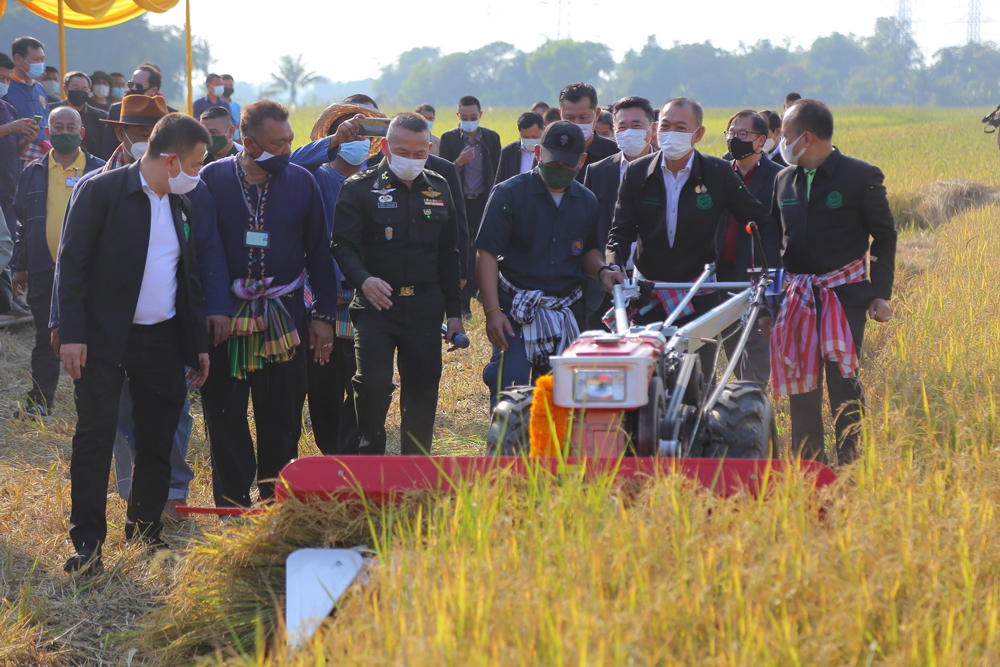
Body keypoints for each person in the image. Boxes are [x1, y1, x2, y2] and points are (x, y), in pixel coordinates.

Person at [49, 94, 230, 521]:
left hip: (161, 339)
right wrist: (71, 334)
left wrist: (195, 345)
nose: (199, 172)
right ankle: (87, 540)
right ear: (170, 160)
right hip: (103, 338)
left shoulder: (181, 203)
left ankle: (145, 528)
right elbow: (70, 267)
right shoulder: (100, 191)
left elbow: (187, 281)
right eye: (196, 162)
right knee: (94, 435)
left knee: (157, 438)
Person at [199, 99, 338, 508]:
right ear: (247, 141)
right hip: (224, 321)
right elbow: (199, 250)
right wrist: (214, 308)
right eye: (277, 144)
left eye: (290, 141)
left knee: (281, 417)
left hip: (286, 316)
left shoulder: (301, 181)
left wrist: (323, 316)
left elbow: (319, 251)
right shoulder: (211, 179)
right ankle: (233, 506)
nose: (287, 151)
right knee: (224, 416)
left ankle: (274, 503)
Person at [606, 97, 782, 371]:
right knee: (647, 378)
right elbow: (621, 231)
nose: (670, 133)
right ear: (655, 128)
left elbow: (760, 222)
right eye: (665, 126)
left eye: (680, 127)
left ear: (698, 134)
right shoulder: (638, 173)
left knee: (696, 381)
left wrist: (770, 274)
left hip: (699, 295)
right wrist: (613, 264)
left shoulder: (718, 173)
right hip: (648, 294)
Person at [769, 99, 896, 466]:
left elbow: (884, 236)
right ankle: (810, 467)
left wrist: (879, 294)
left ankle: (852, 465)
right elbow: (776, 243)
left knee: (844, 385)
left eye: (787, 135)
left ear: (805, 137)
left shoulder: (860, 176)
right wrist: (771, 303)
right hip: (796, 299)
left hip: (845, 298)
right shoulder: (782, 179)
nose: (783, 142)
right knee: (801, 386)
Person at [333, 112, 465, 455]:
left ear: (429, 149)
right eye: (403, 151)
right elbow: (342, 245)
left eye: (419, 153)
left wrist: (454, 314)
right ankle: (370, 448)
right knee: (373, 384)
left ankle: (415, 467)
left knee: (422, 390)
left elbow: (449, 253)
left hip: (425, 306)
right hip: (377, 306)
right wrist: (364, 280)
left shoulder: (440, 186)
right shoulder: (359, 188)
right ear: (385, 148)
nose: (411, 159)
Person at [477, 120, 624, 405]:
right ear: (537, 153)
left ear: (581, 161)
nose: (558, 170)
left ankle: (556, 449)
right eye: (552, 162)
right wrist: (493, 310)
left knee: (566, 392)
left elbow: (589, 251)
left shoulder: (586, 201)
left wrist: (603, 271)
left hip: (565, 308)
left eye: (566, 166)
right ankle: (509, 446)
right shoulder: (508, 194)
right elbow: (486, 253)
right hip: (516, 307)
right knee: (511, 383)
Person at [289, 97, 383, 455]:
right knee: (324, 385)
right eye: (349, 130)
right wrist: (332, 143)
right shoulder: (314, 175)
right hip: (324, 300)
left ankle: (352, 453)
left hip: (368, 299)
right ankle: (331, 454)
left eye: (363, 131)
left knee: (365, 383)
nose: (357, 138)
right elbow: (289, 162)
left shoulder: (379, 179)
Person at [10, 106, 105, 420]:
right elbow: (22, 224)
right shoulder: (33, 171)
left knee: (93, 335)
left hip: (91, 271)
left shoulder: (101, 170)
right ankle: (39, 403)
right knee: (45, 338)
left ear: (82, 131)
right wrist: (19, 266)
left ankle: (94, 402)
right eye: (58, 127)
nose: (65, 132)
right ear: (47, 132)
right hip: (44, 269)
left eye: (70, 126)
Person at [715, 109, 782, 387]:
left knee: (755, 340)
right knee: (730, 341)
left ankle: (753, 402)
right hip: (720, 272)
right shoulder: (716, 172)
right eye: (731, 133)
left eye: (743, 134)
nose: (735, 139)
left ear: (762, 140)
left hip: (757, 271)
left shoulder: (779, 177)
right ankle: (743, 395)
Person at [581, 95, 656, 330]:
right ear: (614, 131)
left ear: (652, 129)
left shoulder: (670, 169)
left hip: (656, 283)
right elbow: (589, 228)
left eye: (636, 126)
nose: (628, 132)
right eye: (622, 126)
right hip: (607, 280)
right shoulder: (598, 171)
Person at [439, 95, 502, 316]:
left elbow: (497, 172)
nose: (469, 121)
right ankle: (462, 304)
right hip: (459, 202)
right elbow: (441, 174)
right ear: (458, 116)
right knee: (462, 251)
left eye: (473, 117)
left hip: (484, 201)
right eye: (464, 117)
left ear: (480, 115)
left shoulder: (491, 139)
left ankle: (481, 294)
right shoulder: (449, 139)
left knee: (484, 248)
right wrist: (458, 163)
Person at [0, 53, 39, 244]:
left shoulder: (9, 109)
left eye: (8, 79)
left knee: (6, 246)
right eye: (1, 78)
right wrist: (10, 128)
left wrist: (27, 140)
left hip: (8, 190)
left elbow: (16, 152)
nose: (5, 83)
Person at [100, 63, 177, 158]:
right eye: (131, 84)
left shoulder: (171, 115)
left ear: (154, 90)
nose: (134, 89)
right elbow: (108, 149)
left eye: (139, 86)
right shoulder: (117, 110)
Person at [557, 82, 618, 182]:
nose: (577, 123)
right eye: (570, 118)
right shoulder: (550, 149)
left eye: (583, 117)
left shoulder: (614, 154)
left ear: (597, 114)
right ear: (561, 114)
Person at [5, 37, 51, 165]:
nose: (40, 64)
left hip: (42, 154)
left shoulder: (39, 87)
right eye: (36, 60)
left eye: (42, 60)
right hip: (14, 155)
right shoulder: (6, 88)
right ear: (18, 59)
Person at [51, 71, 109, 160]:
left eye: (84, 89)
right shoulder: (50, 111)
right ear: (65, 89)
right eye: (75, 88)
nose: (79, 92)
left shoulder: (100, 117)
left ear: (89, 92)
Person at [494, 111, 543, 185]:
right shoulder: (508, 151)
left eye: (534, 136)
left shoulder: (549, 151)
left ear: (543, 130)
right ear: (519, 131)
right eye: (525, 137)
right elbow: (499, 181)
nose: (530, 140)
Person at [220, 74, 240, 138]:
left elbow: (239, 125)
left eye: (231, 85)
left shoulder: (236, 106)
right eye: (226, 85)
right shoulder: (216, 104)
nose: (228, 88)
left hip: (236, 140)